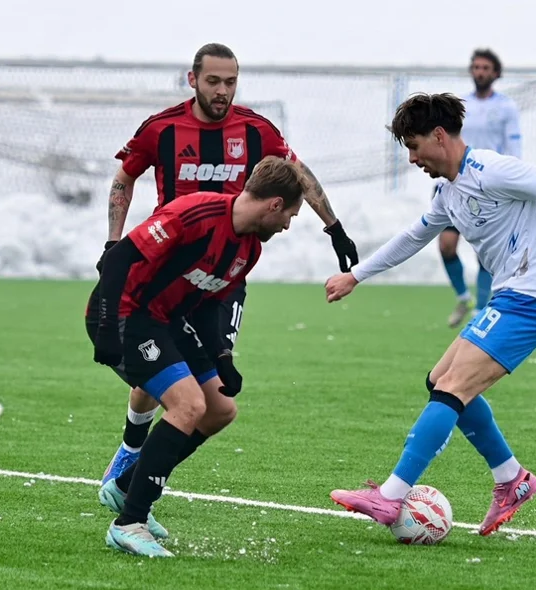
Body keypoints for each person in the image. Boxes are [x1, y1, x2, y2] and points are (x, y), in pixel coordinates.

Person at [324, 93, 536, 536]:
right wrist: (357, 275)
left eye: (415, 146)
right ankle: (511, 478)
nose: (412, 159)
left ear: (439, 136)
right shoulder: (448, 191)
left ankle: (390, 496)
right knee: (439, 380)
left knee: (453, 387)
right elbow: (414, 236)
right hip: (511, 297)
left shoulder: (493, 170)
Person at [98, 42, 359, 486]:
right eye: (214, 81)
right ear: (193, 80)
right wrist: (113, 241)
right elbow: (125, 176)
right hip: (167, 271)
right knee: (164, 366)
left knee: (211, 384)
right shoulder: (162, 129)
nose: (222, 90)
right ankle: (131, 452)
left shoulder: (256, 130)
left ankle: (138, 479)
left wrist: (333, 226)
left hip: (225, 274)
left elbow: (298, 174)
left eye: (231, 82)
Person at [87, 155, 305, 557]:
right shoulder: (193, 213)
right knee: (188, 405)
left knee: (220, 409)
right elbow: (116, 260)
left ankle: (124, 488)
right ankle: (129, 523)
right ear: (274, 204)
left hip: (165, 319)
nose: (287, 225)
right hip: (125, 314)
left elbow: (207, 306)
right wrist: (105, 329)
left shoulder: (249, 249)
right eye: (290, 215)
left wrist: (222, 357)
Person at [442, 48, 523, 328]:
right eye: (476, 67)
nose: (480, 72)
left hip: (488, 186)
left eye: (486, 68)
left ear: (496, 73)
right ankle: (463, 297)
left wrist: (512, 181)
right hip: (455, 182)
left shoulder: (506, 107)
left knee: (485, 253)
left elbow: (513, 147)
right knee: (447, 246)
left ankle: (480, 309)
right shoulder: (460, 105)